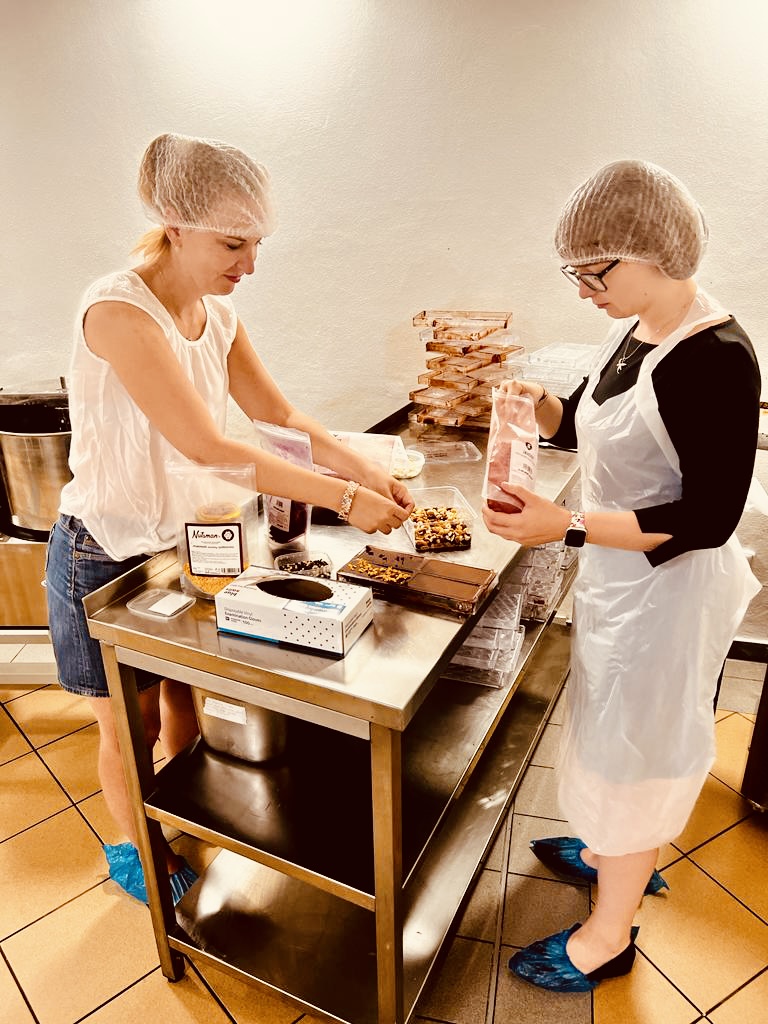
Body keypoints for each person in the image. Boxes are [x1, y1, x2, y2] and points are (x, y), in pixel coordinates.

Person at [46, 132, 413, 905]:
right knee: (132, 727)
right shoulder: (117, 310)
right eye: (233, 243)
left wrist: (362, 465)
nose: (249, 265)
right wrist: (343, 498)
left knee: (190, 699)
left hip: (185, 546)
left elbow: (278, 415)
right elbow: (207, 446)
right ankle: (137, 852)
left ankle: (193, 822)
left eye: (256, 244)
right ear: (175, 224)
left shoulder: (216, 316)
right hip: (103, 550)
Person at [482, 159, 761, 992]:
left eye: (594, 273)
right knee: (610, 726)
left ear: (655, 252)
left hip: (669, 593)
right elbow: (586, 419)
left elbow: (709, 517)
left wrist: (565, 525)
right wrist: (538, 405)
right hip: (620, 579)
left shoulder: (716, 357)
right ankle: (609, 851)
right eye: (574, 273)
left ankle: (608, 936)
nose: (583, 291)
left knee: (641, 747)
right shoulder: (634, 325)